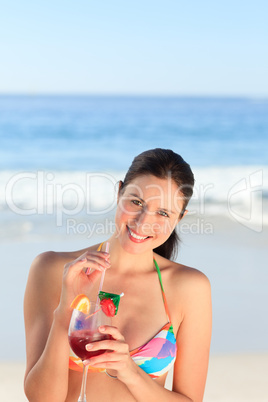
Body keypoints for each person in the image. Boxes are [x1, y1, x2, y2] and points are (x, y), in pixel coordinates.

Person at [24, 148, 212, 402]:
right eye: (136, 202)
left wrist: (129, 370)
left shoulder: (189, 288)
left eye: (163, 213)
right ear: (119, 192)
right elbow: (42, 398)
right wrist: (65, 312)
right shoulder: (52, 269)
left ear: (179, 218)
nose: (144, 221)